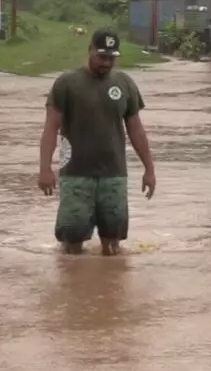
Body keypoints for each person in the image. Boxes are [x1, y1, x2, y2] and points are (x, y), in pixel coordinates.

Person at [38, 28, 156, 256]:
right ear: (89, 50)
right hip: (75, 176)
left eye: (111, 57)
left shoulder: (125, 84)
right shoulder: (67, 84)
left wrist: (149, 169)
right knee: (71, 245)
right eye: (101, 56)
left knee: (112, 245)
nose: (106, 62)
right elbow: (50, 128)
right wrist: (45, 168)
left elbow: (136, 129)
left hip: (114, 176)